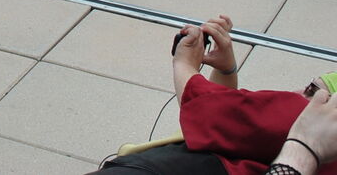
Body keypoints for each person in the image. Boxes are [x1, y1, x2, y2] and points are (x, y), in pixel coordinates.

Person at [86, 15, 337, 175]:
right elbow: (232, 130)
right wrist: (226, 70)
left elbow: (217, 112)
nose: (294, 94)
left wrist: (184, 65)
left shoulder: (321, 121)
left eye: (312, 90)